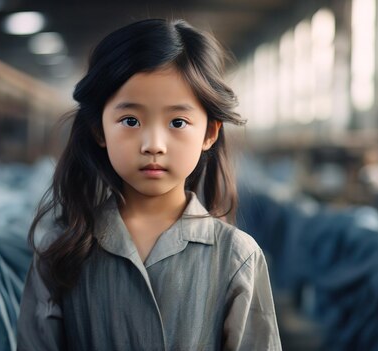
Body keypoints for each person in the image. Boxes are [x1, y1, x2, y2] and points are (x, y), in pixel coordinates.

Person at [17, 18, 282, 350]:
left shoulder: (237, 257)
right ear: (99, 129)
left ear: (209, 133)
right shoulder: (62, 250)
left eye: (177, 122)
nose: (153, 144)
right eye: (131, 120)